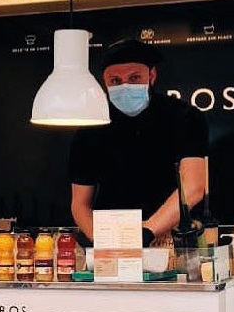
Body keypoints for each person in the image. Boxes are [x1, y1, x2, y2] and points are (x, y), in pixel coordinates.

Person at [68, 39, 209, 247]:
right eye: (115, 80)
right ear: (104, 82)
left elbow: (194, 187)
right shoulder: (90, 128)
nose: (125, 86)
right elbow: (80, 204)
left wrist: (147, 231)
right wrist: (101, 239)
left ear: (151, 76)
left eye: (134, 78)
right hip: (112, 240)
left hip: (173, 238)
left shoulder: (185, 117)